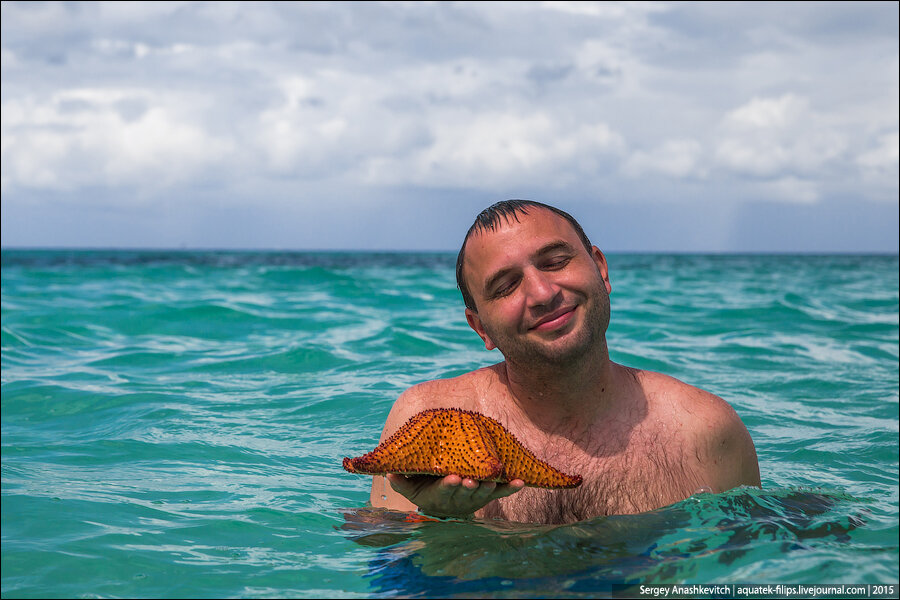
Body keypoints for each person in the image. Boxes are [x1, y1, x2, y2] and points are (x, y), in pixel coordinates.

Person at [369, 200, 761, 524]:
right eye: (506, 286)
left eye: (555, 261)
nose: (541, 292)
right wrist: (437, 517)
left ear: (600, 269)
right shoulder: (426, 419)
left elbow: (749, 565)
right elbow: (385, 567)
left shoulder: (706, 430)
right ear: (480, 327)